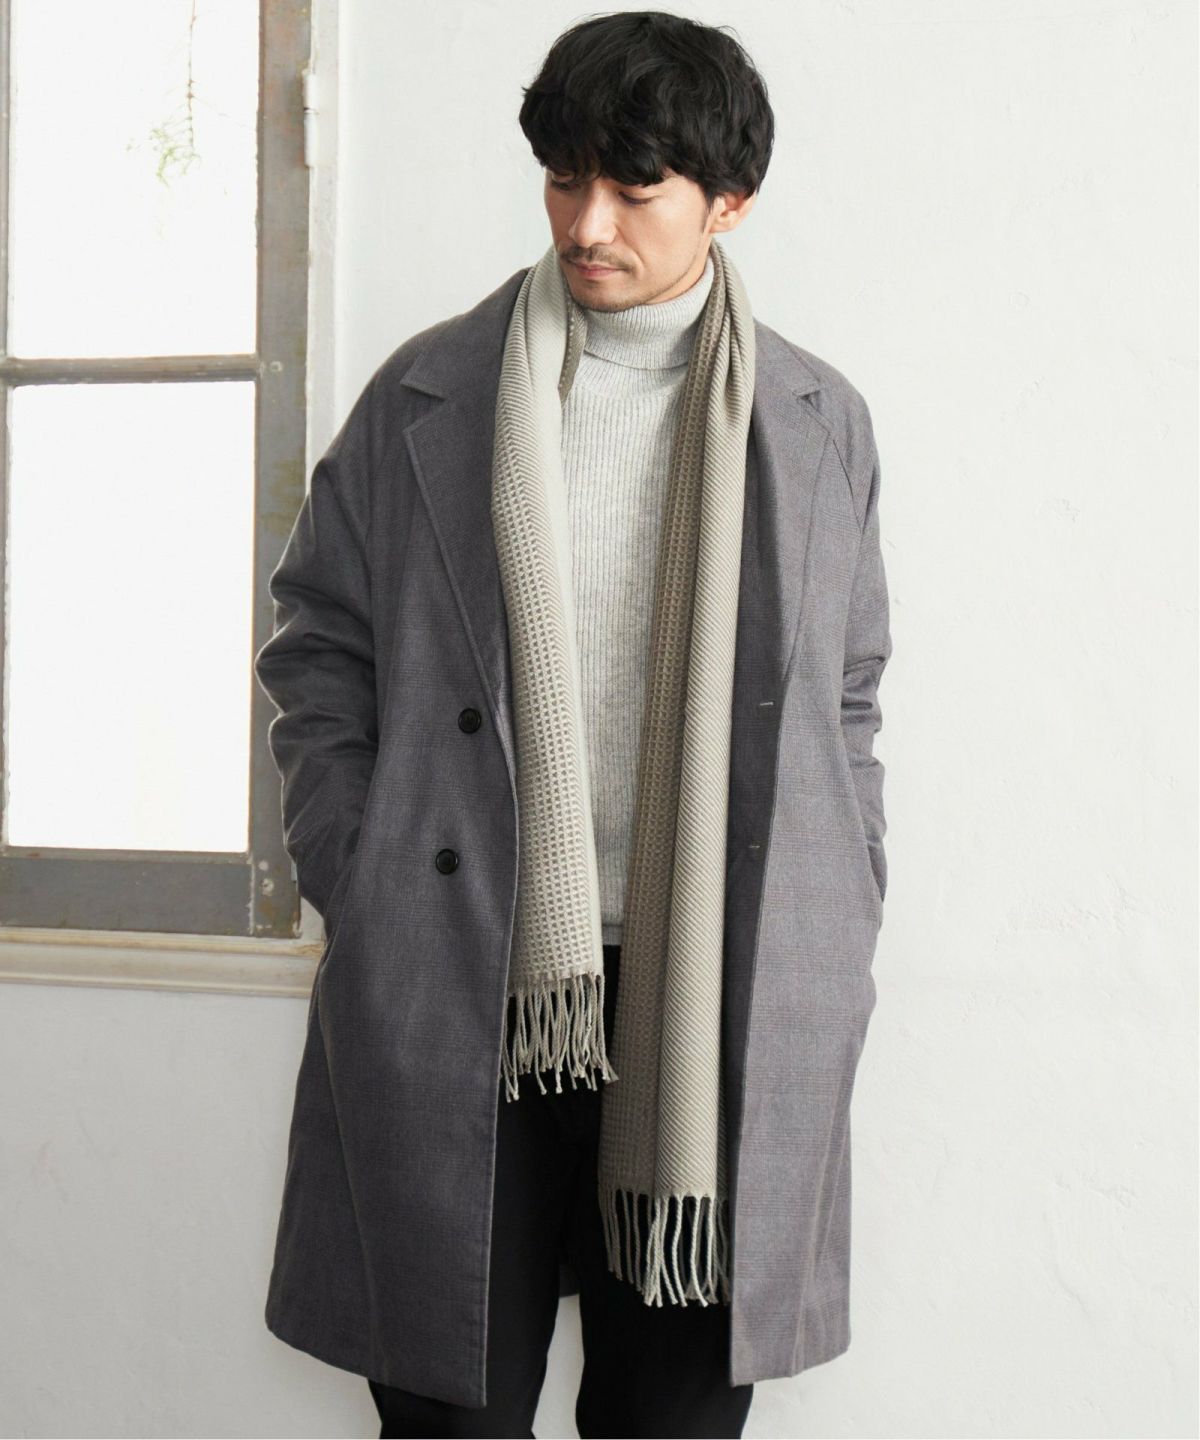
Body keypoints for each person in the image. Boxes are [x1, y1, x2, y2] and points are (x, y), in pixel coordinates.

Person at [255, 11, 892, 1439]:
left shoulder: (815, 421)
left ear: (729, 201)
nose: (586, 224)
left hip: (711, 992)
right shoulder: (428, 392)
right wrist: (360, 864)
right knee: (448, 1412)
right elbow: (320, 646)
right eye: (563, 180)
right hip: (464, 971)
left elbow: (849, 691)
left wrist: (846, 886)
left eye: (633, 188)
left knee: (672, 1418)